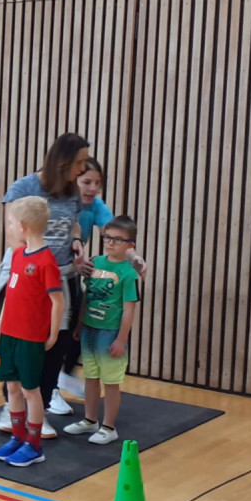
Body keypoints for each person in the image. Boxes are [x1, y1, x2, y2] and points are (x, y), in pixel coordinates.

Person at [0, 132, 90, 435]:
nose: (83, 170)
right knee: (20, 347)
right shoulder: (24, 188)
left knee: (54, 348)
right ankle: (12, 408)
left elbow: (74, 223)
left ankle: (39, 410)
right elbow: (13, 237)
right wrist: (31, 277)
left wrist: (75, 240)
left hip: (62, 278)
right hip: (28, 279)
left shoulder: (72, 192)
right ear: (63, 161)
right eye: (79, 163)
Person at [58, 159, 146, 397]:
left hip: (71, 272)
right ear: (73, 180)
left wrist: (134, 257)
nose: (93, 188)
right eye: (86, 182)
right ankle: (49, 384)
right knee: (59, 326)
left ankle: (63, 375)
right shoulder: (63, 204)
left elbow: (117, 234)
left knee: (77, 322)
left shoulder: (96, 206)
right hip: (53, 272)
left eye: (98, 183)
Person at [0, 197, 65, 467]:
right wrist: (0, 326)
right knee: (12, 386)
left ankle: (34, 446)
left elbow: (58, 302)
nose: (9, 227)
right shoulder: (18, 255)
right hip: (9, 335)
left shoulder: (46, 262)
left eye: (10, 223)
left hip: (30, 337)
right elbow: (10, 293)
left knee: (30, 390)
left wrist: (52, 334)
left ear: (22, 226)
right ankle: (17, 437)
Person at [64, 216, 140, 444]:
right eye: (107, 238)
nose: (110, 243)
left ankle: (109, 426)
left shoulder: (128, 274)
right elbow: (87, 296)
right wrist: (80, 324)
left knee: (111, 381)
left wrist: (121, 339)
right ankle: (90, 420)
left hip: (110, 334)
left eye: (118, 239)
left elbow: (129, 310)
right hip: (89, 330)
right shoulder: (95, 263)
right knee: (90, 377)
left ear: (130, 245)